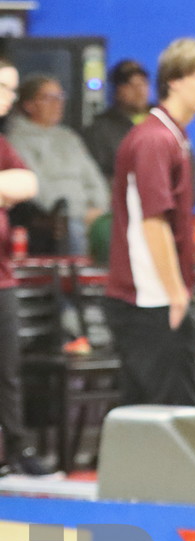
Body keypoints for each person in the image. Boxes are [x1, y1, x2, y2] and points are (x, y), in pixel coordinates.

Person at [103, 38, 195, 408]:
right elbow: (153, 223)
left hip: (152, 298)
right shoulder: (155, 140)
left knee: (145, 416)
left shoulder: (172, 136)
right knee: (174, 414)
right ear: (174, 80)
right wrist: (174, 294)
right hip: (149, 299)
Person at [0, 58, 50, 476]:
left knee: (7, 371)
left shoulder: (2, 143)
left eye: (13, 89)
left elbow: (28, 183)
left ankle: (15, 449)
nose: (9, 98)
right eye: (3, 87)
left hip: (2, 278)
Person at [7, 74, 109, 255]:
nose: (57, 103)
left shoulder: (69, 137)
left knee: (111, 227)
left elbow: (93, 178)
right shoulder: (17, 140)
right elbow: (38, 188)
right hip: (57, 219)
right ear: (29, 105)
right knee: (72, 229)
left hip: (89, 214)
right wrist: (78, 214)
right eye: (49, 98)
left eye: (60, 97)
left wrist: (98, 209)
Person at [84, 59, 151, 182]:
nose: (139, 91)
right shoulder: (99, 131)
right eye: (131, 85)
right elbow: (95, 177)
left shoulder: (163, 122)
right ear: (117, 91)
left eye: (143, 83)